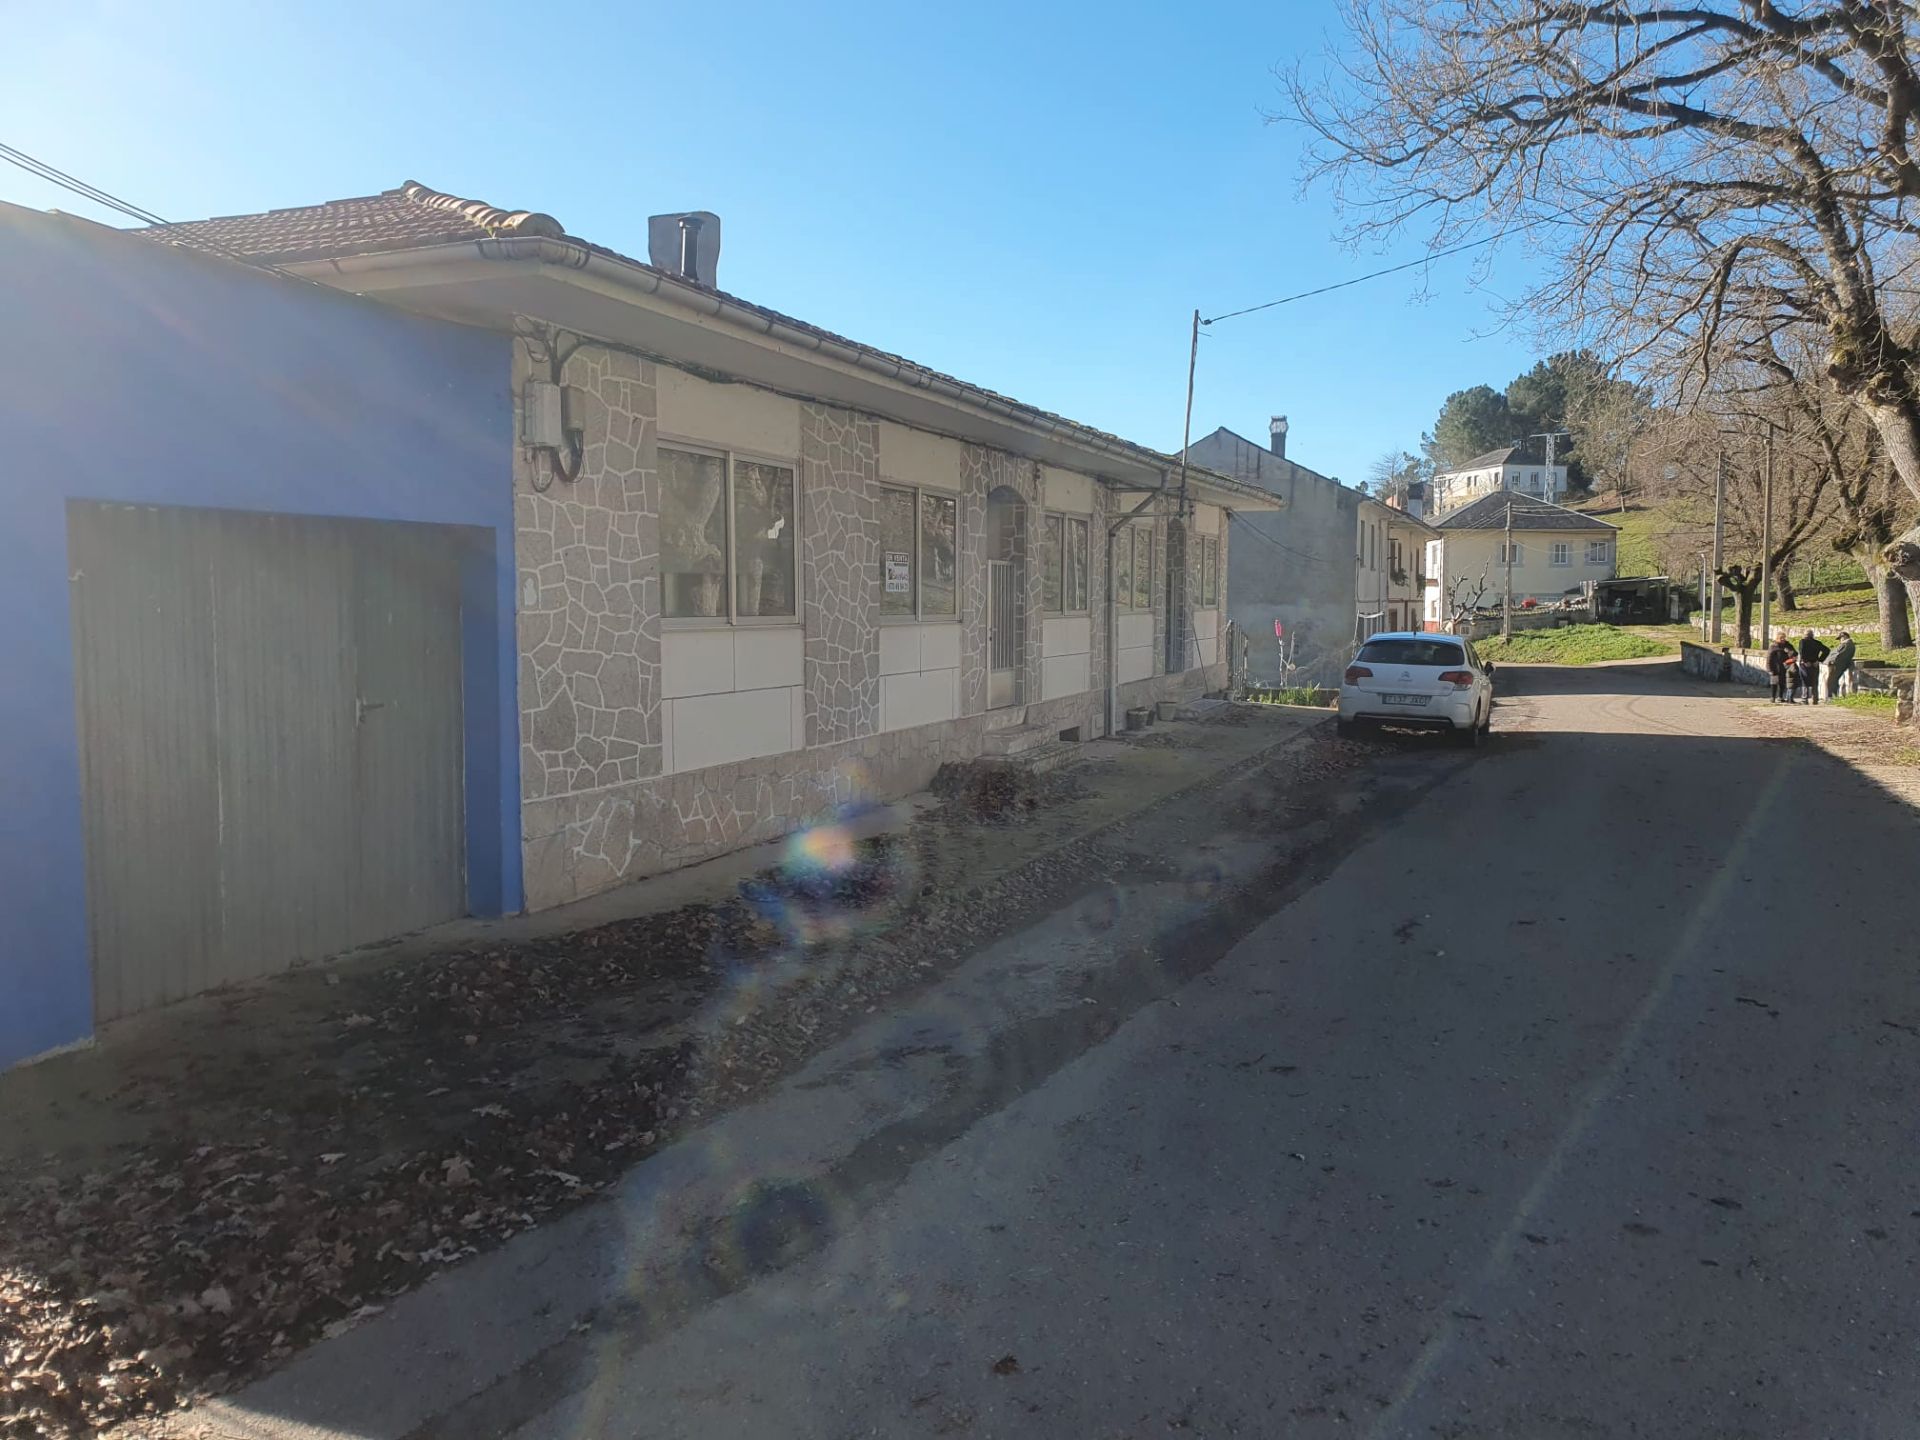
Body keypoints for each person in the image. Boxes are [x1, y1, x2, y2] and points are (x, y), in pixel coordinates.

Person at [1797, 630, 1830, 704]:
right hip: (1815, 664)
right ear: (1812, 635)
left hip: (1805, 664)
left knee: (1804, 682)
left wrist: (1805, 661)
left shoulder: (1803, 641)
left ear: (1805, 635)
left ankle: (1804, 699)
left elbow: (1801, 651)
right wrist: (1819, 660)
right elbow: (1827, 650)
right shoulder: (1817, 643)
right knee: (1814, 682)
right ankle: (1815, 699)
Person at [1766, 631, 1796, 703]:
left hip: (1784, 667)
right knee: (1774, 683)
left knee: (1782, 683)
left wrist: (1789, 651)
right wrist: (1769, 669)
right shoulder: (1773, 646)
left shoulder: (1788, 645)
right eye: (1781, 638)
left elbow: (1794, 653)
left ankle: (1780, 697)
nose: (1783, 639)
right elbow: (1769, 658)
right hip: (1775, 667)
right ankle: (1772, 697)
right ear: (1777, 638)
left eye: (1784, 638)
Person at [1826, 630, 1857, 698]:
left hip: (1837, 665)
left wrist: (1832, 661)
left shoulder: (1847, 644)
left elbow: (1841, 655)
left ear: (1845, 636)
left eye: (1840, 638)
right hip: (1836, 664)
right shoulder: (1845, 644)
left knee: (1831, 681)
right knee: (1832, 681)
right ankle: (1832, 695)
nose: (1840, 640)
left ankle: (1831, 696)